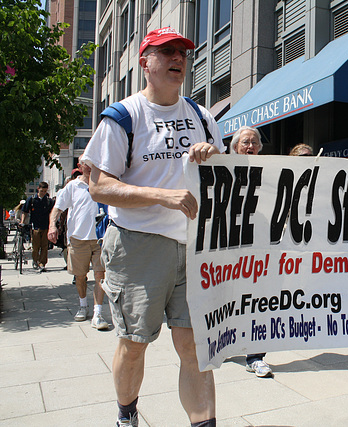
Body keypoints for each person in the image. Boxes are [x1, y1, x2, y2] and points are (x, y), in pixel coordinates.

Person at [82, 27, 224, 427]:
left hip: (194, 249)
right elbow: (99, 186)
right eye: (167, 52)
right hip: (138, 246)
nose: (178, 58)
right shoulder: (123, 116)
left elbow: (227, 178)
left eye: (182, 52)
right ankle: (127, 415)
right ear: (145, 62)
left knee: (195, 348)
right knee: (134, 346)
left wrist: (212, 157)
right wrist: (161, 196)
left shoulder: (202, 116)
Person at [229, 125, 274, 378]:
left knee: (259, 301)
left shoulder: (269, 171)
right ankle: (221, 343)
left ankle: (256, 356)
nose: (250, 146)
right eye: (245, 142)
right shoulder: (222, 171)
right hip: (228, 249)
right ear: (235, 147)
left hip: (259, 248)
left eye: (255, 142)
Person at [48, 161, 108, 329]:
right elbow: (57, 208)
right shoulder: (72, 186)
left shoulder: (102, 183)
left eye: (92, 163)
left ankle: (98, 313)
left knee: (100, 276)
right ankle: (83, 305)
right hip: (78, 239)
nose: (90, 167)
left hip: (100, 239)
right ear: (80, 166)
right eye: (86, 164)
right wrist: (52, 226)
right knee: (80, 276)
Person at [21, 182, 54, 271]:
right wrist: (22, 222)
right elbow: (25, 211)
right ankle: (35, 261)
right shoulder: (31, 199)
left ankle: (42, 263)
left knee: (44, 246)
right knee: (35, 246)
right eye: (42, 191)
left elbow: (52, 213)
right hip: (35, 225)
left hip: (45, 225)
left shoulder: (48, 201)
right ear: (38, 189)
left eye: (45, 191)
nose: (43, 193)